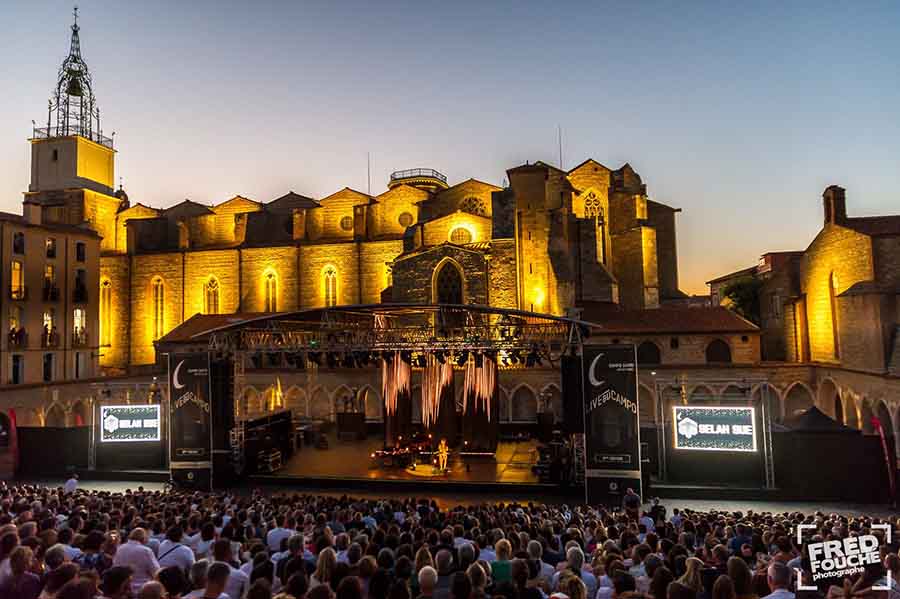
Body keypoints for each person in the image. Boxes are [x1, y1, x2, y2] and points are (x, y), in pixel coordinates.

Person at [113, 528, 160, 597]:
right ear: (143, 538)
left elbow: (115, 566)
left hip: (122, 589)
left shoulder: (120, 548)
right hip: (142, 589)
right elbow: (156, 571)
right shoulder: (146, 551)